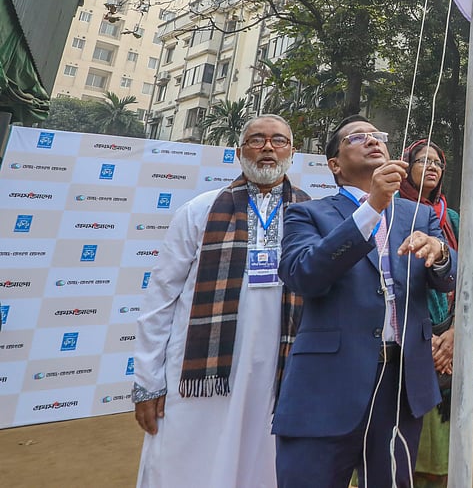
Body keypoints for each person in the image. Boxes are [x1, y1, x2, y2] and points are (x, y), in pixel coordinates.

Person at [274, 116, 456, 488]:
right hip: (328, 384)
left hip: (403, 380)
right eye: (358, 137)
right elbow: (303, 275)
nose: (373, 141)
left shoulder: (419, 214)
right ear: (335, 165)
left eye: (378, 136)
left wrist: (440, 252)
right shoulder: (308, 213)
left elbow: (450, 280)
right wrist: (372, 206)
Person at [133, 115, 310, 487]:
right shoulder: (199, 210)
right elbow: (161, 298)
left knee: (267, 462)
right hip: (203, 370)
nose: (267, 147)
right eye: (256, 139)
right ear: (237, 152)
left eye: (278, 141)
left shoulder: (311, 214)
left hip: (281, 370)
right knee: (188, 463)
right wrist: (149, 382)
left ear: (291, 153)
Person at [401, 140, 459, 488]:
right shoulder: (390, 209)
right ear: (406, 166)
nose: (432, 167)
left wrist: (454, 335)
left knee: (439, 447)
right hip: (405, 335)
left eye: (437, 162)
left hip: (447, 336)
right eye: (423, 160)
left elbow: (466, 277)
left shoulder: (451, 218)